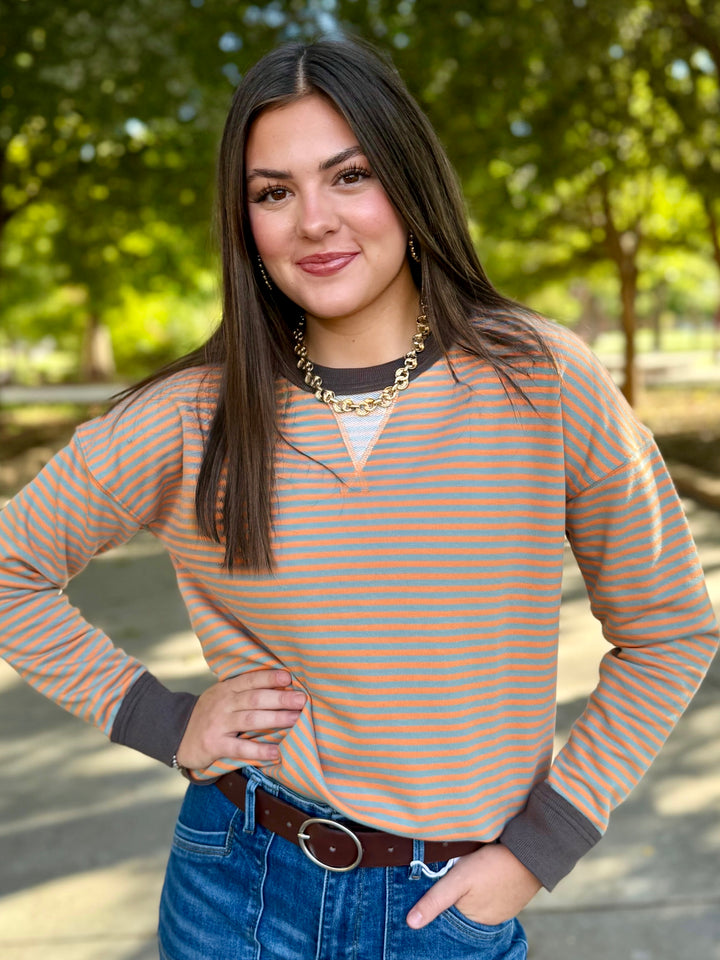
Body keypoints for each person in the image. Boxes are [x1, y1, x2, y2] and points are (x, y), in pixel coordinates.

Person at [0, 37, 717, 960]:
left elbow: (669, 629)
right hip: (236, 888)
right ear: (244, 219)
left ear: (409, 183)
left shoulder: (544, 380)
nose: (314, 221)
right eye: (274, 192)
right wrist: (162, 718)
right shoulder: (190, 413)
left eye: (350, 176)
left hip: (451, 909)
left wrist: (540, 850)